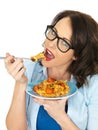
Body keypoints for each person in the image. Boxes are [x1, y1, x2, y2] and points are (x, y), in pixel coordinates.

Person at [4, 10, 98, 130]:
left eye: (64, 43)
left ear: (77, 55)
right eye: (53, 33)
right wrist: (20, 83)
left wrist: (60, 116)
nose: (51, 44)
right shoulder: (29, 69)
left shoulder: (94, 84)